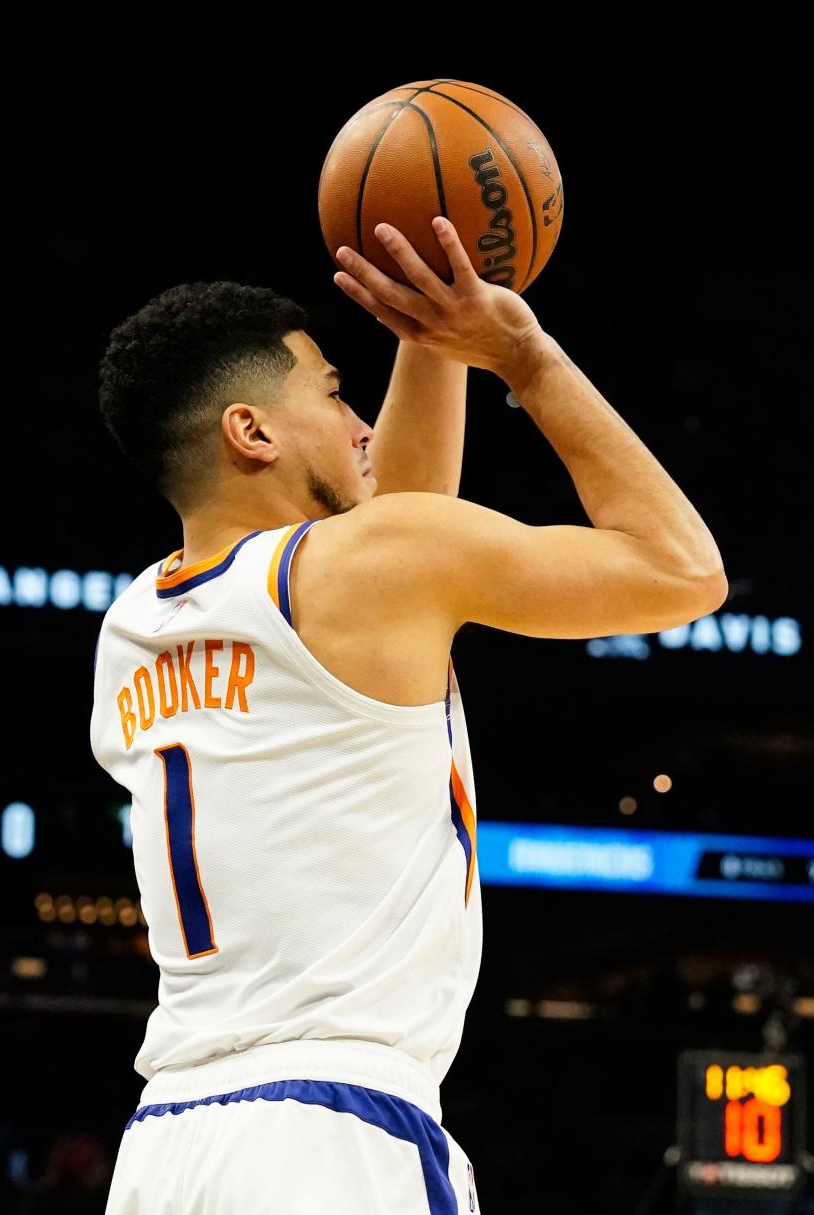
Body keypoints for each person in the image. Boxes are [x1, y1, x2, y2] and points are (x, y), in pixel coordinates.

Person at [91, 216, 727, 1214]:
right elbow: (683, 572)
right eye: (336, 396)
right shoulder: (361, 574)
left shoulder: (133, 624)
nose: (360, 429)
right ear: (250, 432)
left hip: (168, 1144)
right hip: (331, 1137)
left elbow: (397, 522)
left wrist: (430, 338)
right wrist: (523, 355)